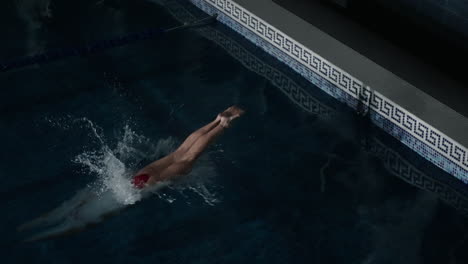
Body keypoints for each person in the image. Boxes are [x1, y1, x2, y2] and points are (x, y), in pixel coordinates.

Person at [131, 105, 245, 189]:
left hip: (141, 187)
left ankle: (223, 124)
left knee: (187, 159)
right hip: (136, 179)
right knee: (179, 152)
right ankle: (216, 120)